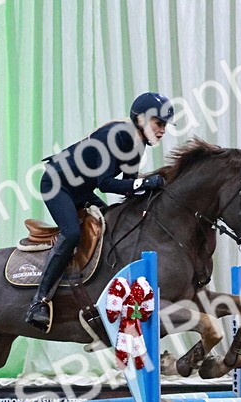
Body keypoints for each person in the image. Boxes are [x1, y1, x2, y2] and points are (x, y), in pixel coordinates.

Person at [24, 92, 175, 331]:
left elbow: (128, 188)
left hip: (81, 190)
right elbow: (105, 183)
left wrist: (150, 194)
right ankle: (39, 302)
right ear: (142, 120)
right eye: (159, 123)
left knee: (112, 224)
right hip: (57, 184)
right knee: (72, 233)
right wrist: (145, 184)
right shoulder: (116, 137)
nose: (163, 130)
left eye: (165, 125)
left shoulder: (137, 147)